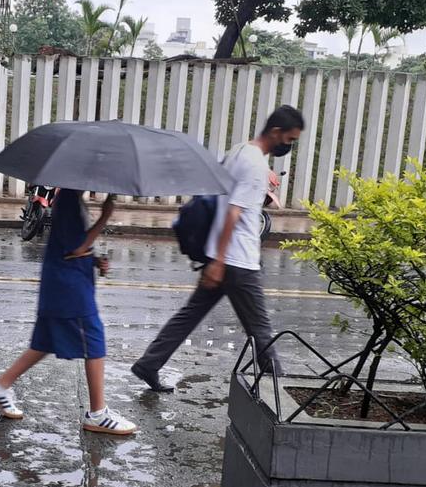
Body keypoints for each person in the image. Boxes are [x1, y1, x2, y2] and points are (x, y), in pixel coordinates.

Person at [131, 105, 306, 392]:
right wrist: (220, 261)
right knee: (260, 330)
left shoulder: (239, 151)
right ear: (276, 133)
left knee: (189, 315)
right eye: (290, 139)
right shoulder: (256, 166)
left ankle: (149, 364)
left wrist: (216, 258)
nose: (289, 146)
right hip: (238, 261)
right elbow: (233, 213)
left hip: (222, 255)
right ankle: (282, 394)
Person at [0, 189, 137, 435]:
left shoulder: (71, 198)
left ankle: (0, 387)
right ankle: (98, 413)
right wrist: (105, 218)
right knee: (94, 341)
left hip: (60, 283)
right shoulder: (69, 200)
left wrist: (94, 260)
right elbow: (76, 247)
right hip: (70, 289)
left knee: (44, 342)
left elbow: (70, 244)